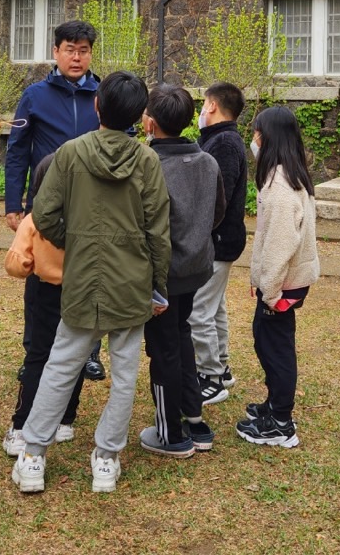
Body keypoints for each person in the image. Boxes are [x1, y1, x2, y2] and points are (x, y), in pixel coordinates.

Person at [11, 71, 170, 494]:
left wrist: (74, 244)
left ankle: (32, 457)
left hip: (82, 280)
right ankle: (106, 457)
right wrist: (159, 285)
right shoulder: (147, 160)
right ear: (140, 115)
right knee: (124, 374)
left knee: (60, 366)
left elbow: (42, 214)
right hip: (132, 281)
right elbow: (158, 232)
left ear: (97, 105)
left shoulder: (70, 153)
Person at [4, 19, 107, 382]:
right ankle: (35, 350)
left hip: (94, 205)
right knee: (41, 280)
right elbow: (17, 152)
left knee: (90, 275)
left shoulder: (102, 95)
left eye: (83, 51)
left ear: (91, 54)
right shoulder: (34, 95)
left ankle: (90, 352)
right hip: (45, 202)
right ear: (56, 52)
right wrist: (13, 204)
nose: (76, 58)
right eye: (70, 50)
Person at [139, 84, 225, 458]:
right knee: (181, 336)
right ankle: (195, 419)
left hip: (163, 275)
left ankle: (170, 432)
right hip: (196, 268)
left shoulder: (151, 166)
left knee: (163, 349)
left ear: (150, 123)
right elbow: (218, 211)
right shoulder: (207, 161)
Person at [235, 105, 320, 450]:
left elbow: (281, 242)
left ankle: (281, 423)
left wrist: (268, 287)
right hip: (284, 280)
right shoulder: (286, 174)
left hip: (282, 283)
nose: (254, 138)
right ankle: (273, 407)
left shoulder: (281, 184)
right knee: (267, 340)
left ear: (269, 137)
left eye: (257, 132)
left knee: (276, 348)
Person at [0, 154, 86, 457]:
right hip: (81, 292)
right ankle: (65, 420)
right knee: (76, 355)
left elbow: (17, 264)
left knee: (38, 356)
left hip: (44, 291)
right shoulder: (87, 218)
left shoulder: (34, 220)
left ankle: (21, 427)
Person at [191, 81, 249, 407]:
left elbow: (217, 197)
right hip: (221, 239)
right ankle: (222, 367)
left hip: (218, 239)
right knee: (214, 308)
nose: (201, 110)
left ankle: (211, 377)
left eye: (203, 104)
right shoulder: (219, 139)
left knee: (200, 310)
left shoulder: (224, 143)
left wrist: (199, 232)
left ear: (212, 105)